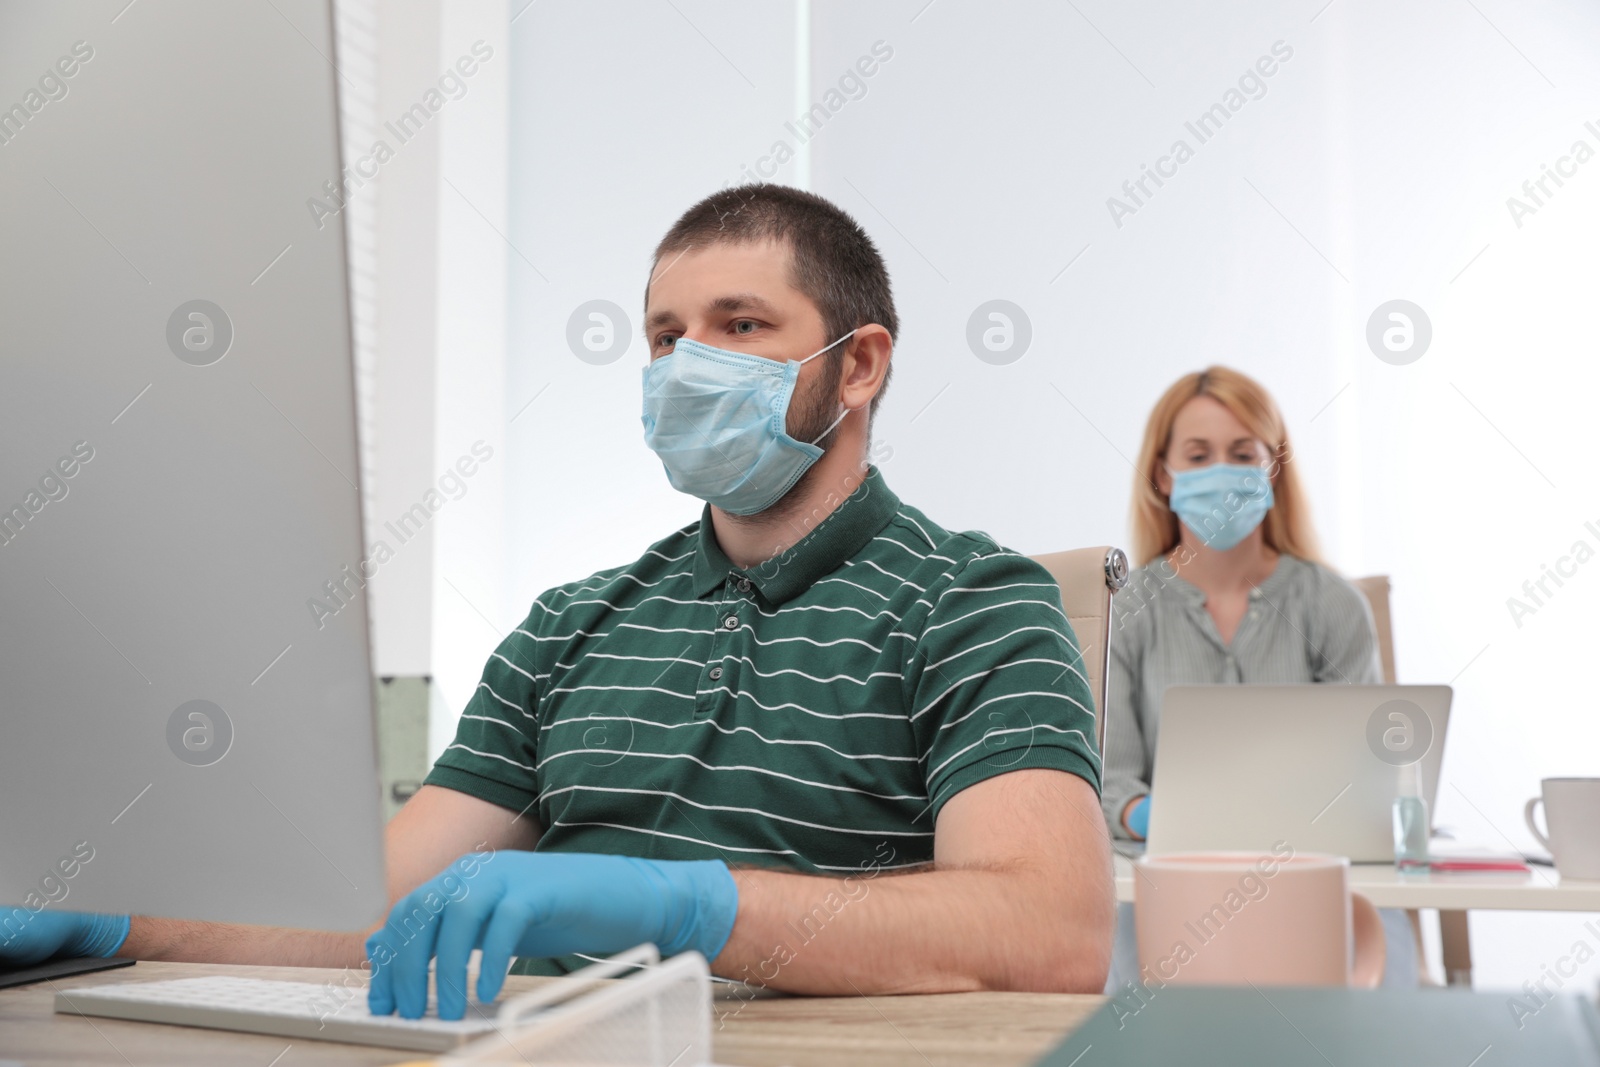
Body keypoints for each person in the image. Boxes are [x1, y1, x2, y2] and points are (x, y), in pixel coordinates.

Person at [1, 184, 1114, 1019]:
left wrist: (684, 905)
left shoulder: (976, 603)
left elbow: (1049, 929)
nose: (689, 365)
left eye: (740, 326)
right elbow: (377, 903)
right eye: (666, 337)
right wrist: (111, 915)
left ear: (859, 362)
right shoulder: (570, 623)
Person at [1100, 365, 1415, 987]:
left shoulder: (1332, 605)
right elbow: (1110, 782)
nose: (1222, 470)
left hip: (1313, 872)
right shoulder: (1128, 610)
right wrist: (1160, 816)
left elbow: (1366, 775)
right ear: (1164, 475)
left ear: (1272, 468)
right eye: (1199, 454)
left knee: (1384, 949)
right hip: (1169, 876)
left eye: (1242, 454)